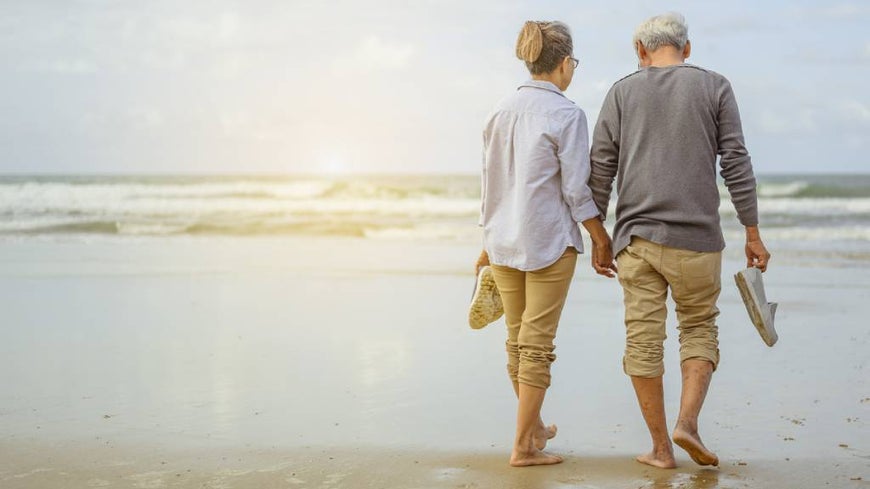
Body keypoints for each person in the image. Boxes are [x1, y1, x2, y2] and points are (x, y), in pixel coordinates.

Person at [588, 12, 771, 469]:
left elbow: (600, 171)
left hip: (637, 240)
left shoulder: (621, 92)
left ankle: (661, 449)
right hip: (698, 240)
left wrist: (597, 236)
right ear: (687, 49)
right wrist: (751, 230)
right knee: (698, 328)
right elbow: (736, 163)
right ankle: (687, 423)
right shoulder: (715, 86)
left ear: (641, 52)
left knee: (643, 341)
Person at [475, 20, 617, 467]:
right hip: (549, 242)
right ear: (564, 64)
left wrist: (484, 240)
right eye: (573, 62)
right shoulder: (567, 114)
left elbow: (489, 185)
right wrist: (599, 236)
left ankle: (532, 430)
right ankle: (522, 447)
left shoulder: (499, 110)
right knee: (536, 345)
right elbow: (576, 189)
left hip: (502, 241)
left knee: (517, 341)